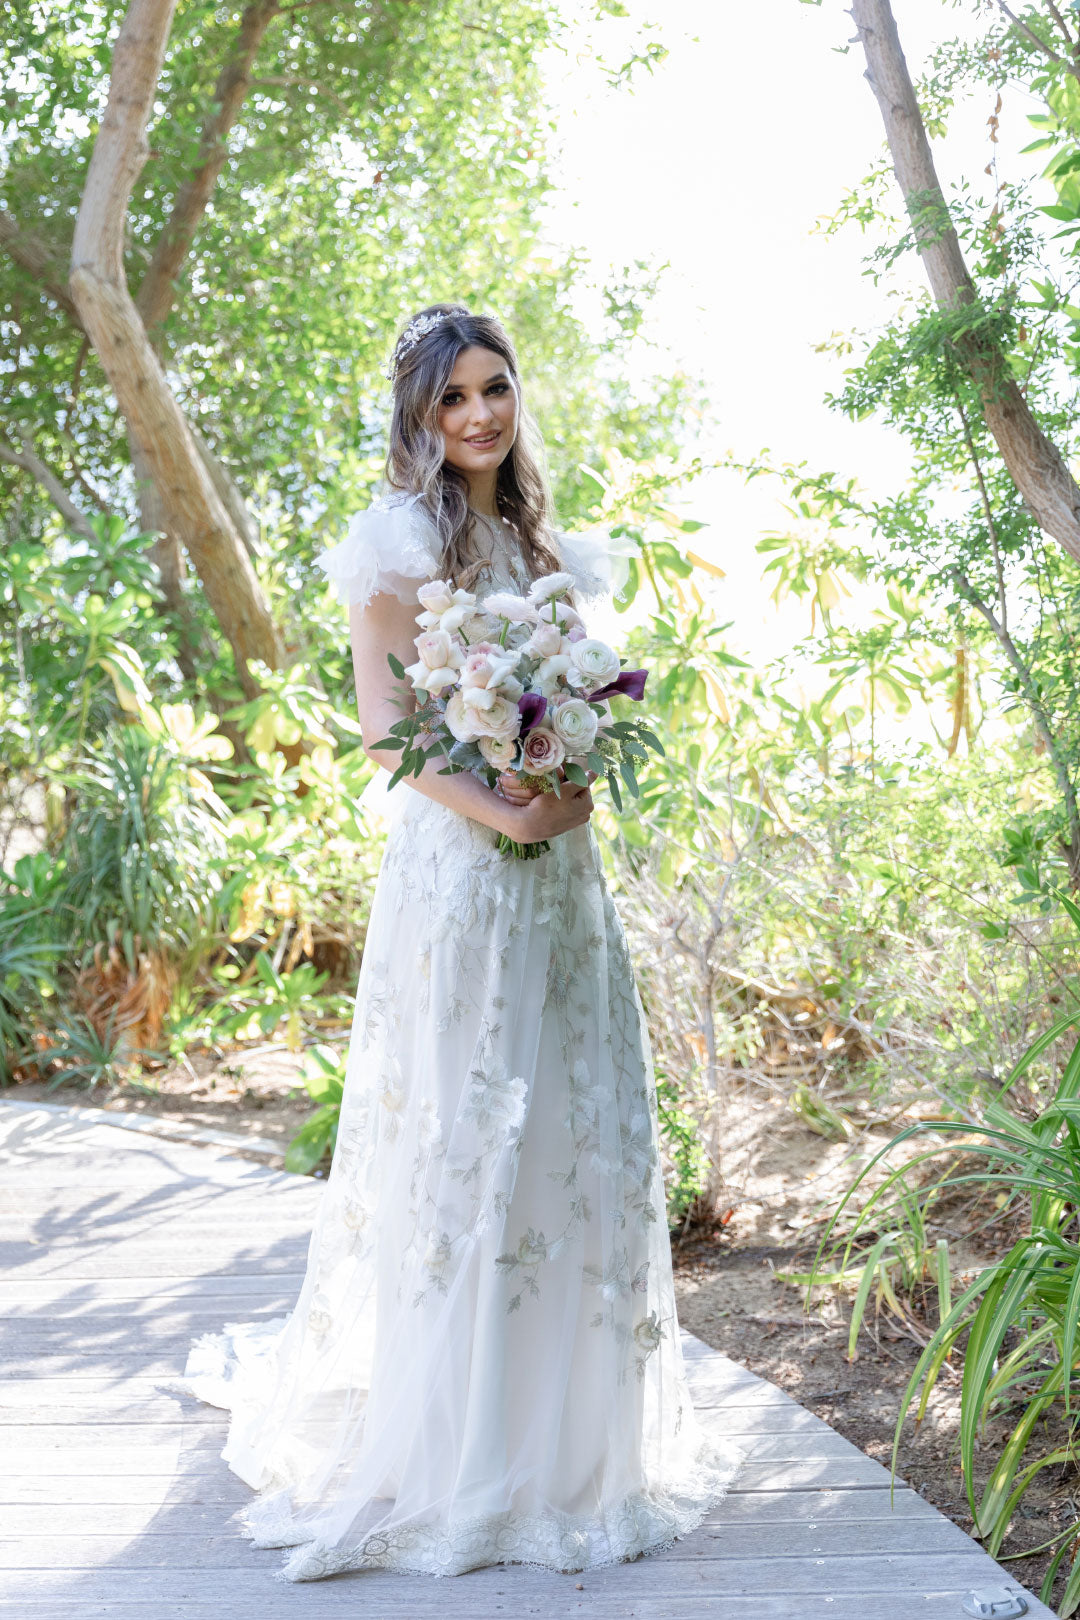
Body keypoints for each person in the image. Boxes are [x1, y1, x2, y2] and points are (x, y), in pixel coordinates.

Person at [171, 303, 743, 1582]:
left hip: (561, 875)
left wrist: (574, 785)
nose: (480, 413)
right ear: (419, 417)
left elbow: (579, 700)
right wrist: (506, 811)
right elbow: (387, 735)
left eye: (496, 388)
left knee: (569, 1129)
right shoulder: (395, 545)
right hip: (466, 874)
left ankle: (577, 1440)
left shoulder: (546, 540)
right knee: (471, 1126)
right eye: (454, 398)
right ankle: (461, 1445)